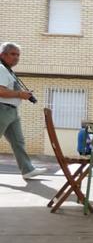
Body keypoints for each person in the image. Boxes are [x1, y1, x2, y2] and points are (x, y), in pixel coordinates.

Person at [0, 42, 46, 180]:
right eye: (13, 54)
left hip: (11, 112)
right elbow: (0, 91)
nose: (16, 57)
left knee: (18, 142)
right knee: (18, 142)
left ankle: (27, 170)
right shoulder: (1, 68)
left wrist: (23, 94)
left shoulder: (7, 70)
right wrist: (20, 94)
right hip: (2, 109)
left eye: (18, 55)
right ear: (2, 55)